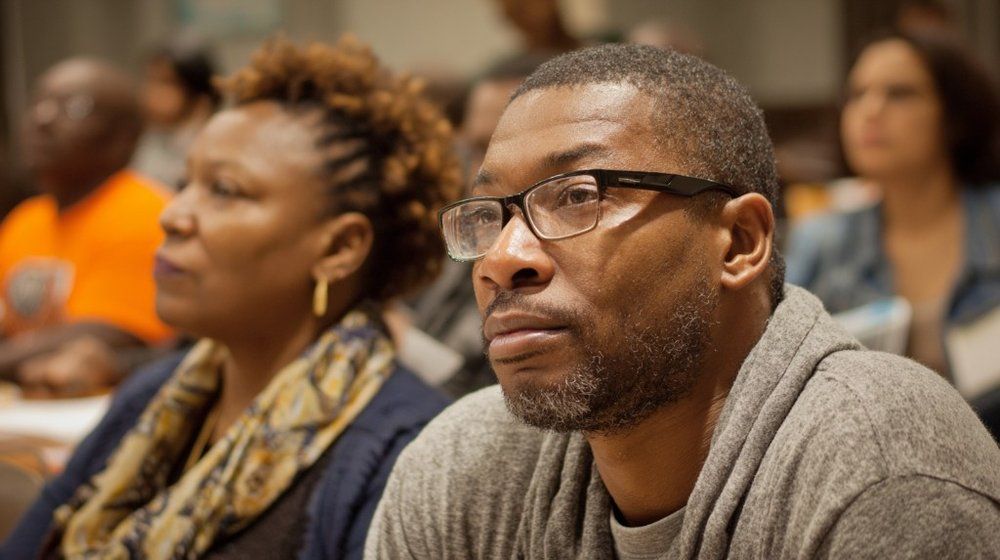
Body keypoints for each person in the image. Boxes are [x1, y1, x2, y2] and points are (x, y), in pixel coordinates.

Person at [365, 44, 1000, 559]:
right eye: (490, 214)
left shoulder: (881, 470)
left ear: (739, 242)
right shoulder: (460, 470)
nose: (502, 259)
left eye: (579, 196)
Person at [1, 36, 460, 559]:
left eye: (224, 190)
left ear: (339, 248)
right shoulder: (152, 395)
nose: (173, 215)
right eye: (185, 183)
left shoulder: (402, 453)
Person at [786, 30, 1000, 432]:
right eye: (857, 94)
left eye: (900, 94)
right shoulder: (822, 240)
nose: (870, 110)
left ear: (955, 116)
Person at [0, 58, 172, 394]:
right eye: (39, 103)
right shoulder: (26, 220)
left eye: (75, 107)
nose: (42, 119)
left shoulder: (146, 212)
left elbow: (109, 334)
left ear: (124, 138)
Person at [407, 53, 549, 397]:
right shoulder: (462, 233)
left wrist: (396, 337)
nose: (483, 171)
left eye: (503, 145)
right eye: (477, 148)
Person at [132, 36, 221, 188]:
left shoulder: (215, 153)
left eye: (166, 83)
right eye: (150, 80)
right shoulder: (143, 140)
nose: (151, 92)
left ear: (200, 95)